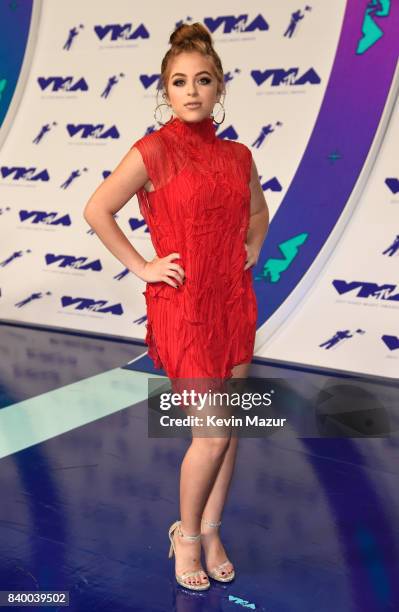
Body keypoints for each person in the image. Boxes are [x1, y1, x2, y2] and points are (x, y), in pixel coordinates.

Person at [83, 22, 269, 591]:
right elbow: (97, 210)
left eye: (203, 80)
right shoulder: (153, 151)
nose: (192, 91)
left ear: (219, 89)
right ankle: (185, 535)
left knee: (231, 430)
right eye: (180, 82)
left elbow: (257, 215)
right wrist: (143, 267)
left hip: (232, 302)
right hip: (183, 308)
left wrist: (248, 254)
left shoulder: (238, 156)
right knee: (209, 436)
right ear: (167, 91)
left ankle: (212, 530)